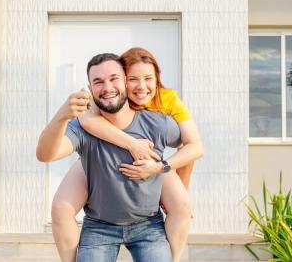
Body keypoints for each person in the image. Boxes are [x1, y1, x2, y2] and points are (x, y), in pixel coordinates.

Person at [50, 48, 203, 262]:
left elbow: (193, 146)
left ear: (157, 79)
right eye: (133, 79)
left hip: (153, 161)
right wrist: (132, 144)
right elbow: (87, 121)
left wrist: (163, 170)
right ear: (124, 79)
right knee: (60, 207)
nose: (141, 87)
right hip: (101, 155)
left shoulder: (167, 100)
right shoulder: (109, 96)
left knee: (181, 205)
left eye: (148, 78)